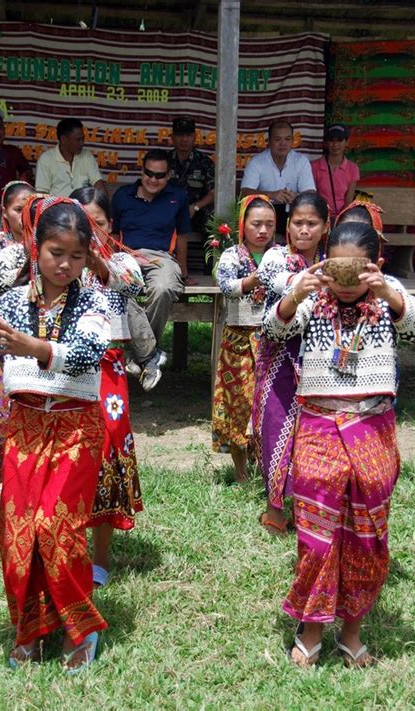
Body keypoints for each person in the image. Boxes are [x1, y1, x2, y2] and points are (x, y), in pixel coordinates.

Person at [263, 221, 415, 668]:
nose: (344, 281)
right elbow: (272, 331)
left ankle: (352, 631)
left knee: (367, 531)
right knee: (317, 533)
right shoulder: (312, 293)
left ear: (373, 265)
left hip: (372, 424)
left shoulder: (388, 291)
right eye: (337, 268)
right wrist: (297, 294)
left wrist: (389, 296)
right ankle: (312, 627)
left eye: (354, 271)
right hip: (318, 422)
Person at [0, 197, 113, 672]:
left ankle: (80, 631)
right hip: (24, 426)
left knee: (58, 528)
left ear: (88, 257)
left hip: (74, 426)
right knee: (17, 535)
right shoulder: (8, 302)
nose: (64, 264)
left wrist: (35, 346)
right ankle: (30, 629)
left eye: (76, 255)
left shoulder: (94, 300)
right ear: (35, 248)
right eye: (55, 252)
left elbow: (88, 352)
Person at [70, 186, 144, 587]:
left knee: (109, 449)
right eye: (82, 223)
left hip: (109, 367)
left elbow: (133, 286)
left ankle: (100, 556)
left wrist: (94, 255)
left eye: (96, 222)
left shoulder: (120, 260)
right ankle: (67, 547)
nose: (89, 230)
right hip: (65, 370)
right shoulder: (59, 262)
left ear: (108, 224)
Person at [253, 191, 329, 534]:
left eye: (312, 223)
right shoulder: (276, 257)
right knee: (275, 426)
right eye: (298, 222)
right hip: (279, 354)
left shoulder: (333, 262)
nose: (304, 230)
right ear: (288, 225)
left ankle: (306, 503)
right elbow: (276, 279)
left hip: (318, 359)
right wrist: (303, 284)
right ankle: (275, 507)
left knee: (311, 433)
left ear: (325, 227)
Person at [111, 148, 191, 390]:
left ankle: (141, 355)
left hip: (161, 258)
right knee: (116, 289)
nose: (153, 180)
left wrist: (184, 273)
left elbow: (184, 237)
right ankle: (150, 355)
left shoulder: (178, 196)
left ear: (168, 176)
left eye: (160, 175)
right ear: (141, 170)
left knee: (164, 287)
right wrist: (115, 260)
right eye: (149, 174)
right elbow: (113, 234)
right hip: (126, 255)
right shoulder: (122, 196)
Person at [212, 195, 276, 483]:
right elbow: (225, 286)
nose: (263, 230)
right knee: (238, 403)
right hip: (238, 340)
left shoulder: (280, 255)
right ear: (243, 226)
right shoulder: (231, 255)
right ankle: (240, 473)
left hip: (271, 340)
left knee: (267, 402)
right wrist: (255, 280)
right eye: (256, 224)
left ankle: (266, 467)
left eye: (269, 225)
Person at [0, 180, 36, 504]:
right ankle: (2, 479)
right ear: (5, 211)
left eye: (30, 209)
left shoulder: (45, 240)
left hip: (32, 329)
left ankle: (24, 477)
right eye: (18, 209)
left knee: (26, 404)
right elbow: (1, 275)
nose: (23, 215)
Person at [240, 119, 315, 239]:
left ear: (292, 141)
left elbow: (311, 193)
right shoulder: (257, 161)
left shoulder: (301, 161)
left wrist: (296, 197)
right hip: (263, 214)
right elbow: (244, 192)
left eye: (287, 139)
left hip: (293, 212)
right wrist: (271, 195)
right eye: (277, 139)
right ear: (268, 141)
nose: (283, 143)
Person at [168, 116, 215, 284]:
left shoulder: (204, 162)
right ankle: (171, 272)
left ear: (195, 137)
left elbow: (213, 192)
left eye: (188, 135)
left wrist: (195, 207)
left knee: (213, 219)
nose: (184, 139)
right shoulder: (165, 160)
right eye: (180, 135)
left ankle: (211, 271)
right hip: (171, 212)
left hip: (196, 212)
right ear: (172, 137)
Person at [35, 117, 106, 198]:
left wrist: (103, 206)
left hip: (82, 208)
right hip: (57, 209)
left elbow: (98, 184)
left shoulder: (87, 156)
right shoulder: (46, 159)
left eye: (83, 139)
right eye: (78, 140)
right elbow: (41, 194)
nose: (82, 143)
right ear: (63, 139)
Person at [311, 124, 360, 219]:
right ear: (326, 143)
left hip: (343, 217)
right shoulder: (314, 166)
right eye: (331, 140)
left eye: (339, 140)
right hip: (319, 216)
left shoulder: (353, 168)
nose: (335, 144)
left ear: (347, 142)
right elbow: (313, 196)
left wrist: (340, 219)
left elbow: (348, 201)